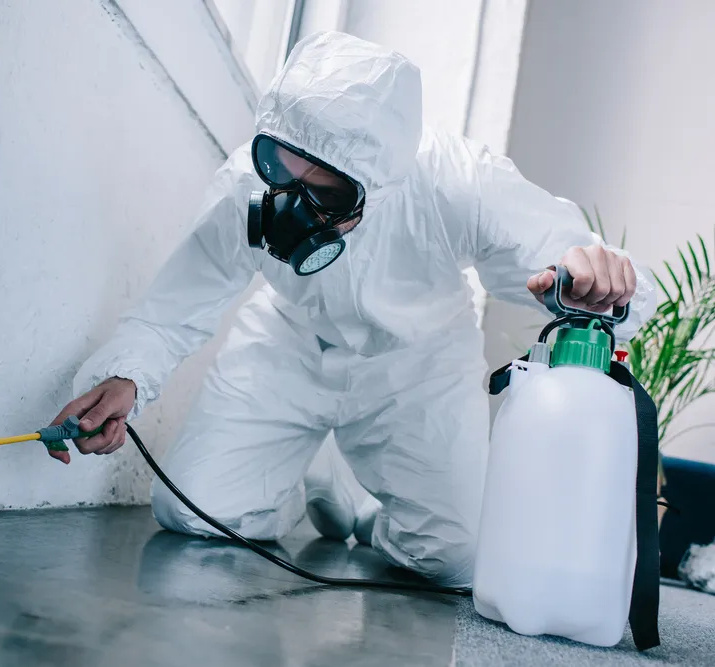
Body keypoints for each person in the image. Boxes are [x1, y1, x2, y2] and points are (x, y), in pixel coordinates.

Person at [48, 31, 656, 588]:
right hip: (287, 346)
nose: (291, 205)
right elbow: (172, 308)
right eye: (281, 166)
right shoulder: (243, 188)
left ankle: (356, 502)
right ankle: (296, 476)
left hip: (417, 366)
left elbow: (568, 259)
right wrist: (127, 376)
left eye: (329, 193)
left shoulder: (458, 183)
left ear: (380, 182)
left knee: (459, 560)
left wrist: (597, 283)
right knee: (192, 512)